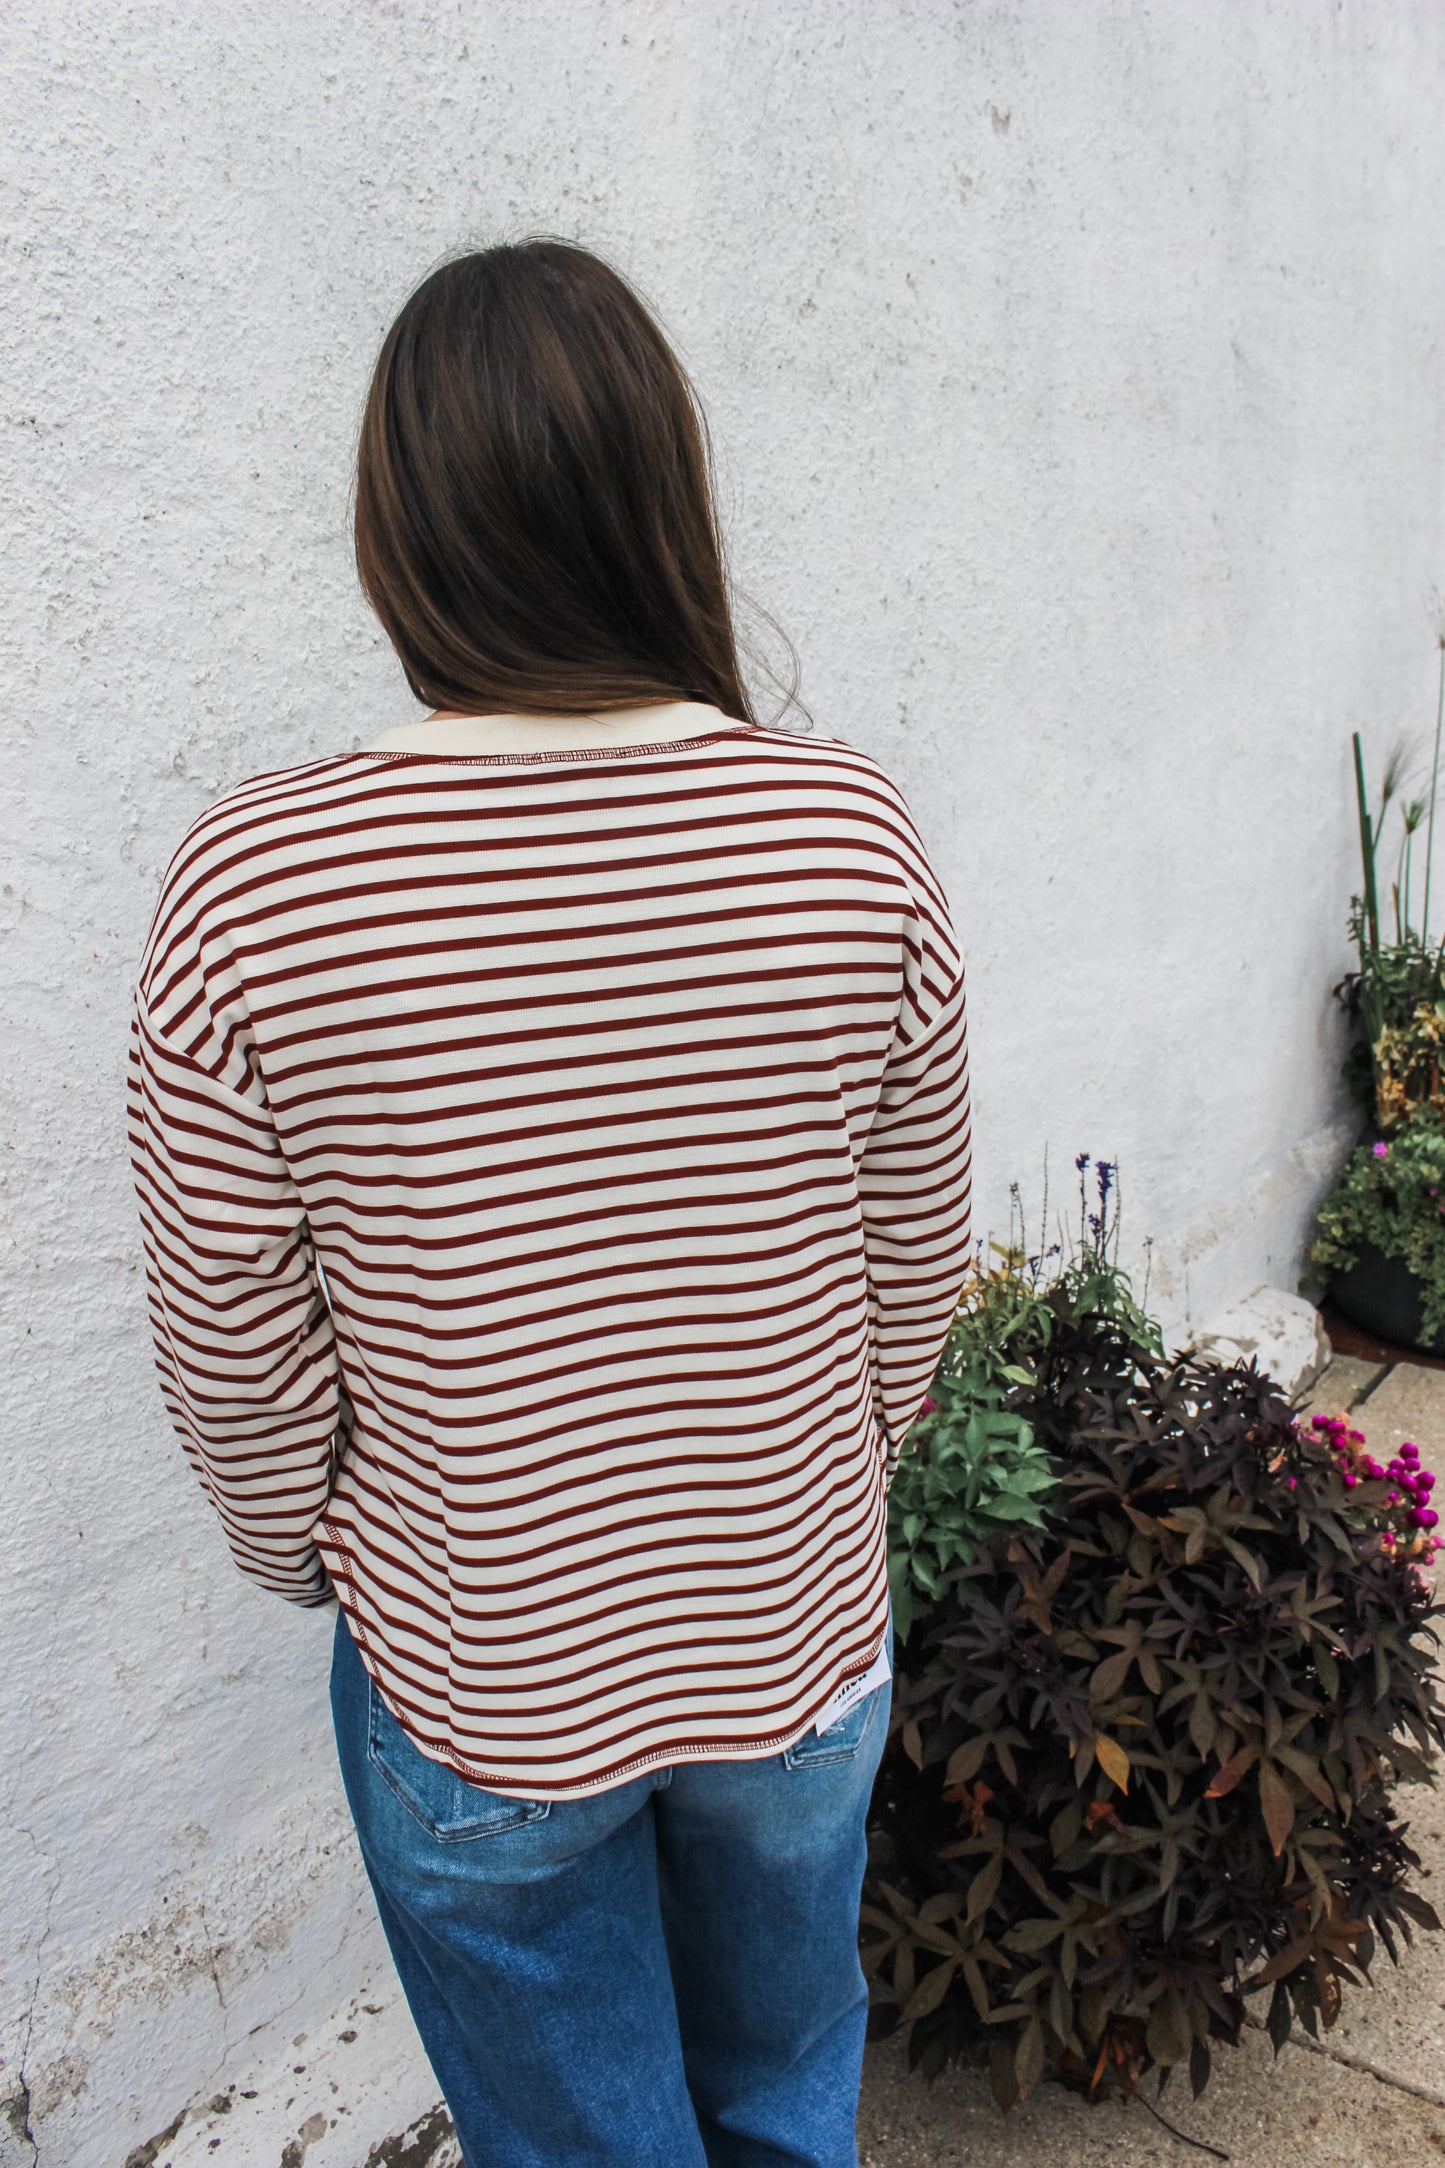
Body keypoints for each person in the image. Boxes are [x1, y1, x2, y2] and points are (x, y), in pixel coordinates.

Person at [127, 238, 973, 2168]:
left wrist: (303, 1553)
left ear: (396, 531)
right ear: (662, 500)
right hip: (787, 1632)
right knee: (782, 2090)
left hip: (480, 1668)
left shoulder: (255, 886)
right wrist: (843, 1462)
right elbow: (911, 1255)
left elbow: (234, 1352)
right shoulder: (845, 833)